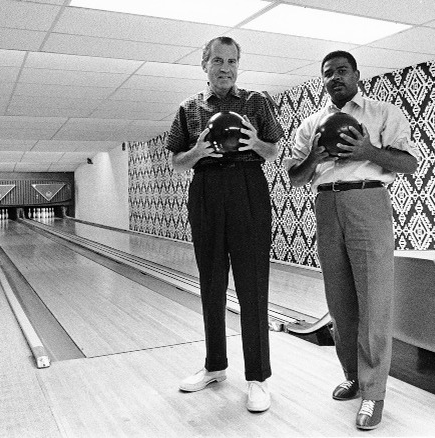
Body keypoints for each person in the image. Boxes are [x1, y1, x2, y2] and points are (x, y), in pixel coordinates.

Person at [284, 50, 420, 430]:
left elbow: (408, 163)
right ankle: (353, 376)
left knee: (374, 299)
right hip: (326, 205)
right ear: (323, 80)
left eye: (342, 71)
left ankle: (374, 394)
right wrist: (314, 156)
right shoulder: (311, 124)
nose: (335, 78)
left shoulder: (383, 114)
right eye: (327, 73)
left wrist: (367, 152)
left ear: (357, 74)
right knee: (340, 302)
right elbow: (295, 177)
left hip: (368, 199)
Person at [165, 36, 285, 413]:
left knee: (252, 284)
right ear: (205, 64)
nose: (226, 68)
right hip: (206, 188)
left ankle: (257, 378)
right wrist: (196, 152)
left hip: (248, 187)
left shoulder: (256, 102)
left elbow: (274, 149)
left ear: (238, 65)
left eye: (232, 61)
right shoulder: (189, 108)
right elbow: (176, 161)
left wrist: (256, 144)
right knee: (211, 282)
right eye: (218, 60)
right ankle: (215, 366)